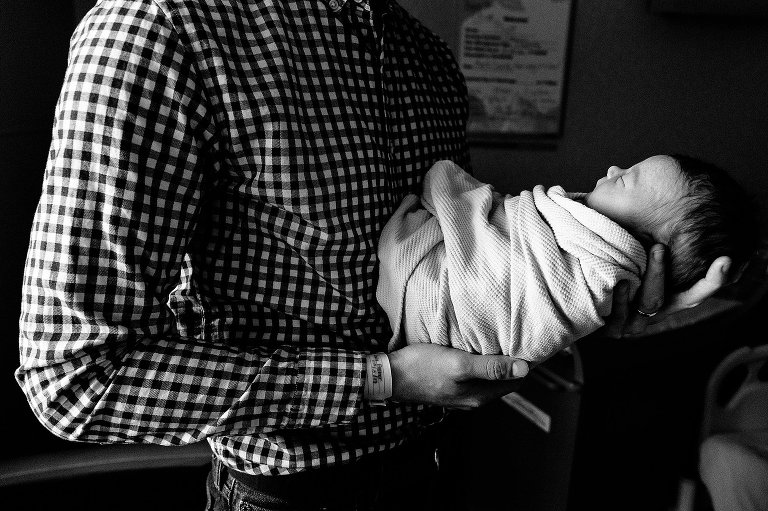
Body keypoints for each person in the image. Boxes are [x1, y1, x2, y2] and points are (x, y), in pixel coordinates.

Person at [15, 1, 730, 510]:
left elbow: (479, 286)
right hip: (285, 494)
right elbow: (73, 376)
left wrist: (598, 304)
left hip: (439, 471)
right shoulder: (163, 29)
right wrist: (380, 379)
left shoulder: (429, 67)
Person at [378, 154, 757, 363]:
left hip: (443, 312)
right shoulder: (574, 227)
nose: (612, 168)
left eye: (626, 179)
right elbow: (518, 228)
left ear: (638, 240)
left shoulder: (599, 270)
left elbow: (538, 300)